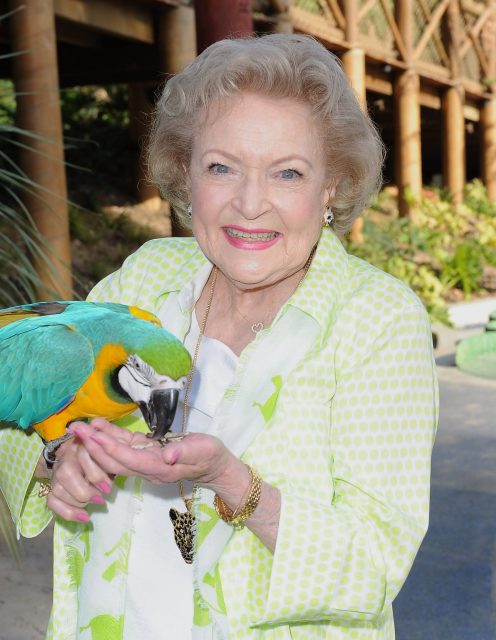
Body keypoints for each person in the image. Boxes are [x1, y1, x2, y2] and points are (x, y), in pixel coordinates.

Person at [0, 34, 438, 639]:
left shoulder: (379, 321)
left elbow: (374, 567)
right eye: (221, 167)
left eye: (287, 172)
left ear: (331, 185)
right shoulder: (142, 280)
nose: (250, 203)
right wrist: (60, 462)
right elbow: (21, 419)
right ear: (185, 174)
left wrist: (234, 482)